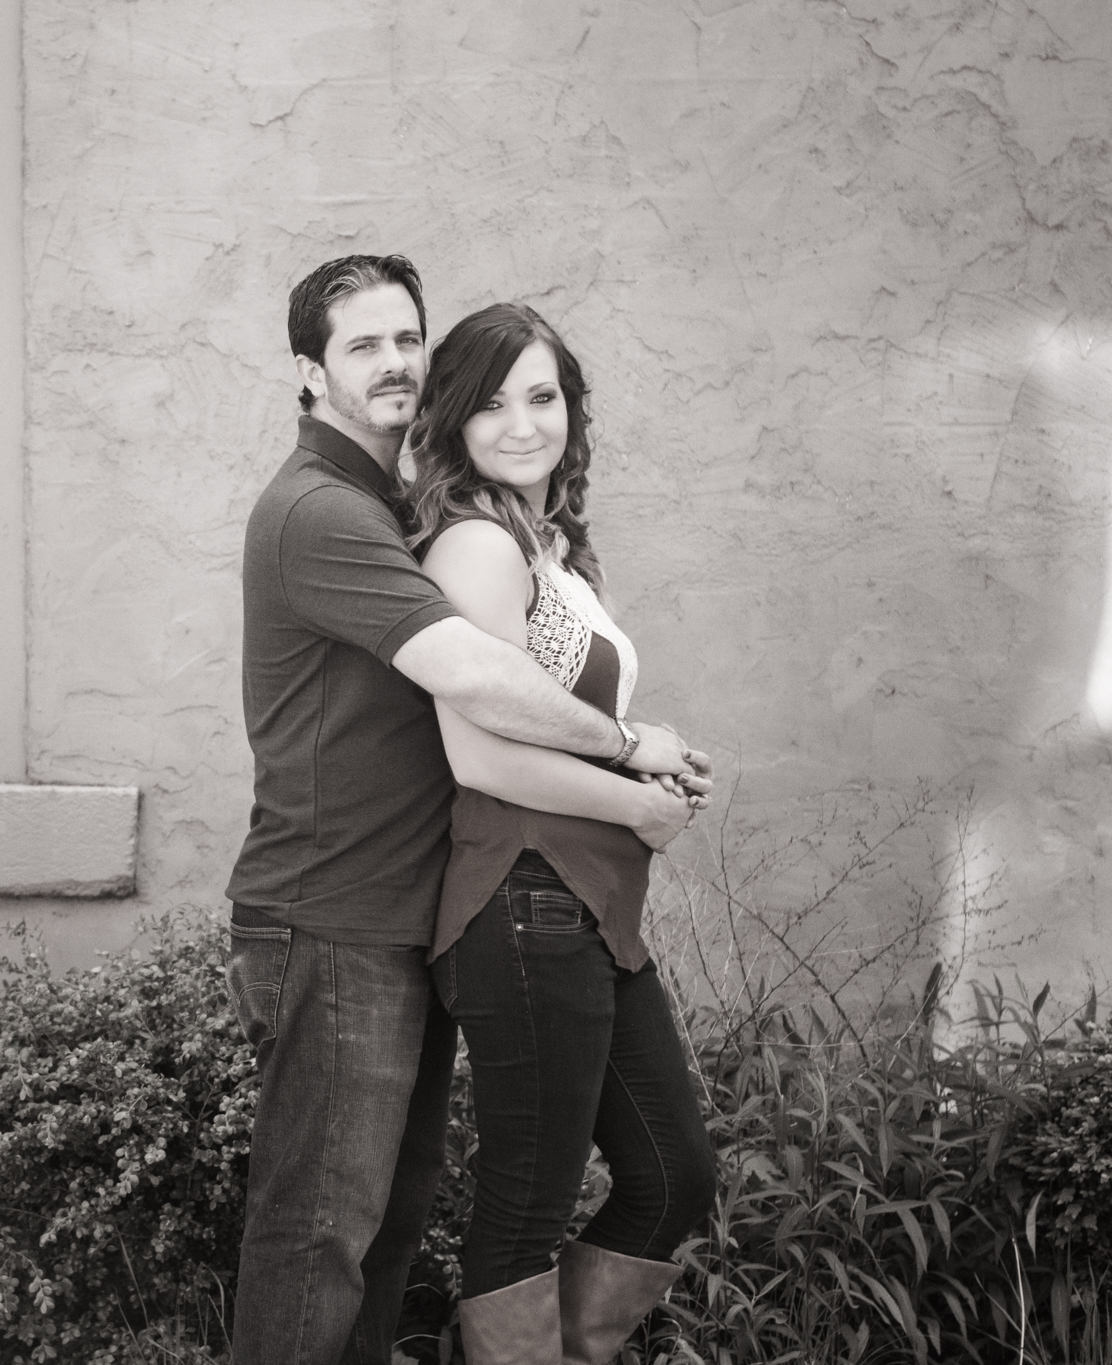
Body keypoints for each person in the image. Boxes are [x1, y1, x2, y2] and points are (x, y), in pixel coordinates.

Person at [227, 257, 711, 1365]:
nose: (394, 361)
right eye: (361, 345)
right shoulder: (320, 512)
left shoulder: (400, 507)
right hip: (330, 914)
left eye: (407, 338)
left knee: (381, 1236)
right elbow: (478, 684)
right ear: (308, 372)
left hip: (405, 910)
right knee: (317, 1237)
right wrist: (629, 752)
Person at [403, 302, 721, 1365]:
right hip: (522, 899)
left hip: (586, 906)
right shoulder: (477, 545)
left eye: (542, 397)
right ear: (453, 420)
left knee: (672, 1174)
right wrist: (636, 798)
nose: (521, 424)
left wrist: (647, 761)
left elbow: (562, 724)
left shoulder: (551, 550)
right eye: (490, 403)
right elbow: (479, 756)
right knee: (526, 1207)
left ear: (571, 411)